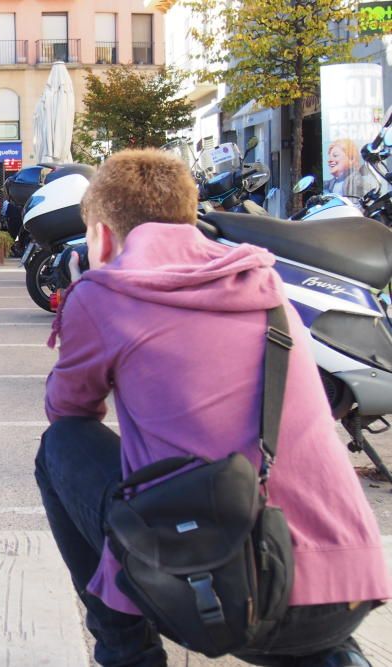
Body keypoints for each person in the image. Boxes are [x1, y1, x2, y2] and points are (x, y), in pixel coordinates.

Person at [35, 149, 390, 667]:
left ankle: (127, 654)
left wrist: (81, 301)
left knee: (59, 449)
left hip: (216, 597)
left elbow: (67, 410)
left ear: (104, 236)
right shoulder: (266, 285)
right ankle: (332, 655)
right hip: (345, 590)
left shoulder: (104, 294)